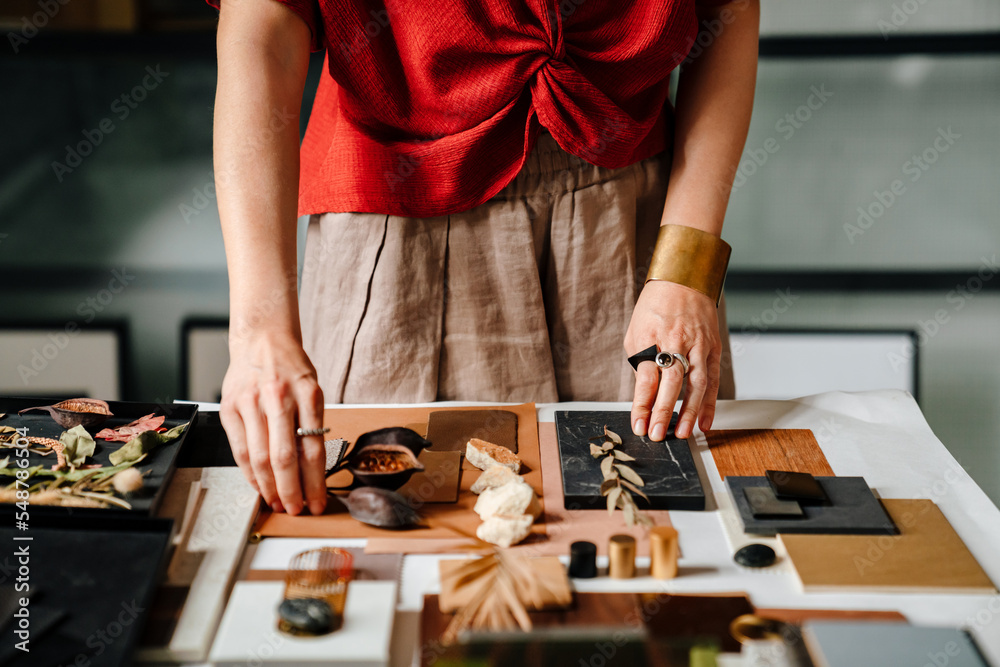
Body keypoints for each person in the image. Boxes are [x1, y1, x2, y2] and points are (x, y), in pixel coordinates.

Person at [211, 0, 759, 516]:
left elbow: (727, 10)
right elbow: (264, 28)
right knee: (385, 534)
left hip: (638, 233)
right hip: (399, 230)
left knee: (670, 519)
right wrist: (259, 331)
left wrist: (684, 272)